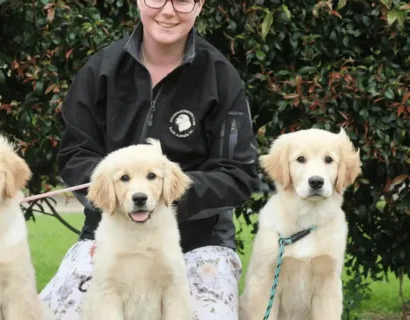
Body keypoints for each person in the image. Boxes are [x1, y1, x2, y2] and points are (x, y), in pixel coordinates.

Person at [38, 0, 260, 318]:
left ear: (199, 5)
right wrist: (116, 187)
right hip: (109, 236)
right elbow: (75, 154)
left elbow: (238, 173)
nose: (168, 11)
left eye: (183, 0)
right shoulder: (100, 69)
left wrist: (166, 193)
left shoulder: (221, 77)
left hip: (200, 242)